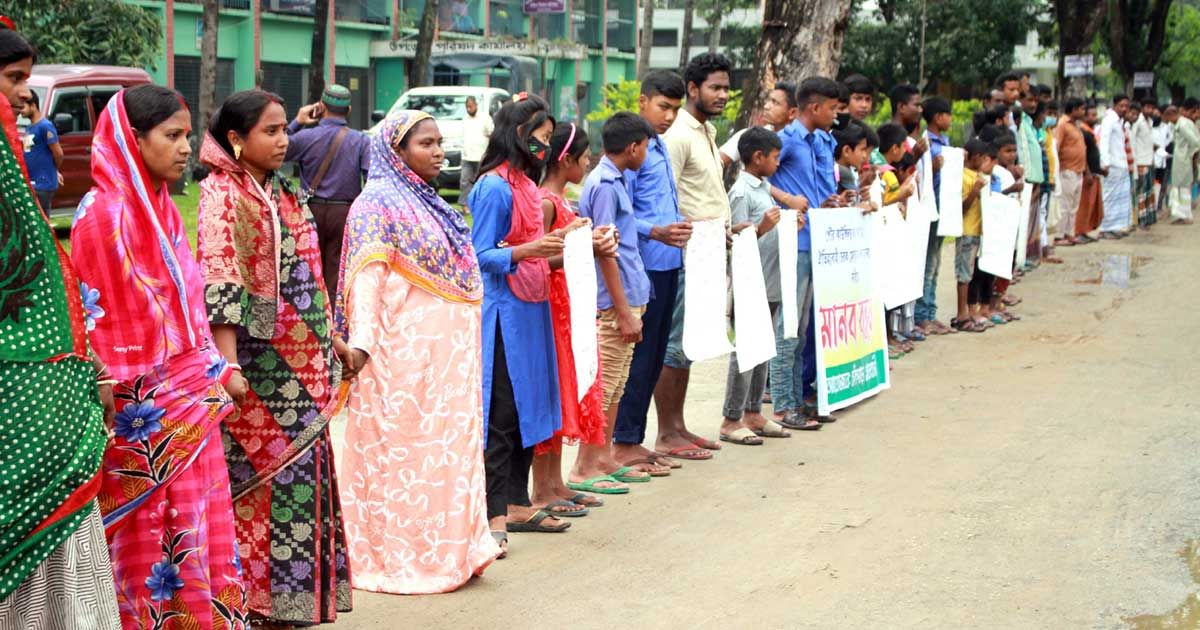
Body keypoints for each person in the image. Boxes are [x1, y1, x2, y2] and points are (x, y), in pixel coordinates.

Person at [69, 84, 249, 628]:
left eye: (188, 135)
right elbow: (101, 326)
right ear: (132, 139)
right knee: (148, 538)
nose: (185, 147)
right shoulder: (105, 217)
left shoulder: (163, 210)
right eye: (171, 136)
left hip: (188, 402)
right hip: (137, 414)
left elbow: (185, 311)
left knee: (195, 528)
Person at [198, 89, 353, 626]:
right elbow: (220, 283)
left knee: (300, 483)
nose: (283, 140)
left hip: (305, 370)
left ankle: (294, 603)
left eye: (286, 128)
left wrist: (332, 343)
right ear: (236, 140)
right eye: (270, 131)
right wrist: (230, 367)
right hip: (257, 375)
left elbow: (309, 280)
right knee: (259, 488)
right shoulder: (224, 195)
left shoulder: (284, 192)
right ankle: (256, 604)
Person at [336, 110, 502, 588]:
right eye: (426, 144)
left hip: (446, 361)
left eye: (439, 143)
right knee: (402, 456)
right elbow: (364, 282)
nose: (438, 152)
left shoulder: (430, 202)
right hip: (400, 362)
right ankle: (397, 557)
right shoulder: (376, 204)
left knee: (447, 453)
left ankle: (456, 550)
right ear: (396, 150)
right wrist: (361, 346)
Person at [0, 28, 121, 629]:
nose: (24, 97)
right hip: (21, 392)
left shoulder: (15, 168)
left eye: (27, 80)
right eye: (14, 80)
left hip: (46, 388)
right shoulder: (100, 214)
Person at [469, 94, 573, 546]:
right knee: (502, 416)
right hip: (504, 315)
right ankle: (493, 514)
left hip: (533, 308)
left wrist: (571, 245)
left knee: (530, 409)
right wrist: (534, 249)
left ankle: (517, 503)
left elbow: (534, 254)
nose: (546, 147)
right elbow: (479, 254)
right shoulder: (493, 187)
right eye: (541, 137)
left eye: (550, 139)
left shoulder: (528, 186)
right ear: (517, 134)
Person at [613, 70, 699, 466]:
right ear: (642, 102)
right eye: (663, 106)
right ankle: (624, 440)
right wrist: (657, 231)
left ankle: (637, 438)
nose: (668, 115)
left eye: (675, 109)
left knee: (658, 352)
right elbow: (621, 213)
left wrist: (677, 225)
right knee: (639, 357)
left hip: (669, 263)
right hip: (641, 266)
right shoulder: (630, 152)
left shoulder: (661, 147)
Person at [570, 112, 659, 488]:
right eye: (647, 148)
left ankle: (603, 456)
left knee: (618, 382)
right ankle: (584, 466)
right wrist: (623, 311)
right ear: (634, 146)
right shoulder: (605, 184)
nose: (647, 155)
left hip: (630, 293)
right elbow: (605, 250)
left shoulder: (619, 180)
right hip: (612, 301)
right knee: (603, 384)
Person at [536, 121, 619, 507]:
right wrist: (585, 248)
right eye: (585, 158)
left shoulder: (563, 200)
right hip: (553, 305)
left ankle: (555, 483)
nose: (587, 165)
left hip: (570, 303)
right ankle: (542, 487)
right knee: (555, 391)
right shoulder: (546, 202)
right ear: (566, 159)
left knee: (566, 392)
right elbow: (538, 257)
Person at [658, 53, 735, 450]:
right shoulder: (679, 135)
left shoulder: (706, 131)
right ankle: (667, 432)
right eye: (715, 87)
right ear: (693, 89)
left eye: (725, 87)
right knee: (675, 342)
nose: (723, 94)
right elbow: (666, 197)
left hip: (708, 252)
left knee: (690, 343)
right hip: (687, 252)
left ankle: (679, 426)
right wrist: (699, 229)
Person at [768, 77, 843, 432]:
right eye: (832, 108)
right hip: (793, 242)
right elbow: (756, 178)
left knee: (804, 327)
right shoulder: (785, 141)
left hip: (819, 241)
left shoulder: (823, 142)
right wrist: (787, 200)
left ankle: (798, 400)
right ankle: (783, 406)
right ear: (814, 107)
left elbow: (817, 189)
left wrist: (830, 201)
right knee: (789, 328)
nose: (835, 115)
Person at [720, 127, 792, 441]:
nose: (778, 162)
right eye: (775, 157)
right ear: (758, 157)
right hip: (752, 279)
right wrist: (762, 228)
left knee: (764, 345)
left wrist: (788, 223)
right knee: (746, 348)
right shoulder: (741, 192)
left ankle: (753, 413)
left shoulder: (764, 187)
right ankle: (731, 418)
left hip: (772, 277)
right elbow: (735, 238)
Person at [285, 84, 370, 299]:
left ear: (321, 107)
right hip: (344, 213)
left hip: (309, 211)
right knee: (337, 270)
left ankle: (311, 318)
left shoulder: (305, 137)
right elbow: (369, 180)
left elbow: (274, 147)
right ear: (349, 110)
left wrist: (297, 122)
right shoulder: (361, 140)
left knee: (308, 269)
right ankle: (335, 320)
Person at [916, 96, 954, 336]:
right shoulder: (925, 143)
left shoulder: (945, 141)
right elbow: (921, 174)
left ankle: (931, 312)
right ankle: (922, 316)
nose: (950, 119)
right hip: (931, 207)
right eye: (947, 114)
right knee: (928, 263)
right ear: (938, 117)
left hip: (945, 207)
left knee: (937, 262)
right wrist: (934, 166)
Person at [952, 138, 992, 333]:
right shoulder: (964, 177)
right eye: (983, 159)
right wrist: (975, 191)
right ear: (975, 157)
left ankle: (968, 312)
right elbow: (961, 207)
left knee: (971, 273)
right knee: (964, 275)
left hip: (976, 231)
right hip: (966, 230)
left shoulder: (977, 175)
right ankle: (962, 314)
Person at [19, 90, 60, 214]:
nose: (21, 111)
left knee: (41, 218)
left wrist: (54, 170)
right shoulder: (29, 128)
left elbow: (58, 153)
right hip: (33, 182)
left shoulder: (45, 126)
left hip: (43, 184)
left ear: (33, 106)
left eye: (23, 107)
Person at [1098, 95, 1134, 238]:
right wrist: (1105, 163)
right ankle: (1105, 228)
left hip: (1121, 164)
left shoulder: (1119, 122)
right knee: (1110, 197)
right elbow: (1104, 141)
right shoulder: (1109, 120)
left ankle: (1114, 226)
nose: (1124, 109)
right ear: (1115, 105)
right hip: (1112, 165)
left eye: (1126, 106)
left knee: (1120, 198)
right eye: (1121, 106)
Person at [1054, 97, 1087, 245]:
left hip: (1078, 170)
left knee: (1073, 205)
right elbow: (1057, 146)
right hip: (1067, 169)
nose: (1083, 111)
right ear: (1073, 110)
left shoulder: (1075, 125)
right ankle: (1059, 236)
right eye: (1081, 108)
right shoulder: (1063, 124)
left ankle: (1069, 233)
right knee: (1065, 204)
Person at [1076, 102, 1106, 241]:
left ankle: (1085, 231)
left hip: (1094, 173)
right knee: (1084, 205)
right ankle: (1079, 232)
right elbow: (1083, 154)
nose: (1095, 118)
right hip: (1087, 173)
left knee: (1091, 205)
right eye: (1092, 115)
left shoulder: (1089, 131)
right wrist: (1086, 171)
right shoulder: (1083, 132)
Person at [1168, 98, 1199, 225]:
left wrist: (1190, 154)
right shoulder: (1180, 124)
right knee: (1178, 187)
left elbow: (1195, 142)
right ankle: (1179, 214)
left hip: (1183, 159)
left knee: (1183, 187)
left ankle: (1184, 215)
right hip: (1180, 159)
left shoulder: (1183, 125)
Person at [460, 95, 493, 213]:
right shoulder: (465, 119)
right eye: (467, 107)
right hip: (467, 155)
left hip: (481, 156)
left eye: (471, 107)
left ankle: (481, 205)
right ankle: (465, 206)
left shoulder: (485, 118)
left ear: (476, 105)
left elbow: (491, 134)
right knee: (465, 181)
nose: (469, 109)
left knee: (482, 182)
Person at [1130, 100, 1155, 228]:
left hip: (1150, 160)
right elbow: (1132, 141)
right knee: (1141, 192)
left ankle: (1149, 217)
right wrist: (1135, 163)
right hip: (1140, 161)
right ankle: (1141, 219)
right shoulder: (1138, 122)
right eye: (1147, 107)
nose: (1149, 110)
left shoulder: (1150, 122)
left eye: (1151, 107)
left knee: (1149, 191)